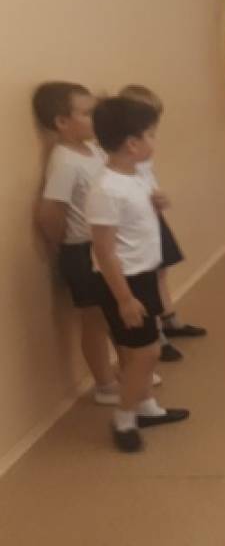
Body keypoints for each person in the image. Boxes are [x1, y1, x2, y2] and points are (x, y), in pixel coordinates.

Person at [86, 96, 190, 452]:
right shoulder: (106, 189)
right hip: (124, 283)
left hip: (142, 276)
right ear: (132, 144)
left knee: (136, 353)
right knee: (146, 354)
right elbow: (104, 250)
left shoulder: (135, 175)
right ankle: (124, 419)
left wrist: (157, 204)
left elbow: (135, 223)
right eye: (150, 135)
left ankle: (145, 407)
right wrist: (125, 299)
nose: (153, 141)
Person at [33, 82, 118, 404]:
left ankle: (127, 368)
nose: (96, 118)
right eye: (87, 113)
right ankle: (105, 384)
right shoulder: (65, 161)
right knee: (93, 319)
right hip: (81, 249)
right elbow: (49, 212)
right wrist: (66, 245)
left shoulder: (94, 150)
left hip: (103, 247)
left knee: (114, 310)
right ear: (62, 122)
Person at [118, 85, 206, 363]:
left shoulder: (143, 150)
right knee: (147, 277)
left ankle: (169, 319)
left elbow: (145, 178)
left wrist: (158, 198)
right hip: (137, 223)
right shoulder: (121, 152)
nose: (152, 133)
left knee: (161, 271)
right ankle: (156, 331)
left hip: (152, 215)